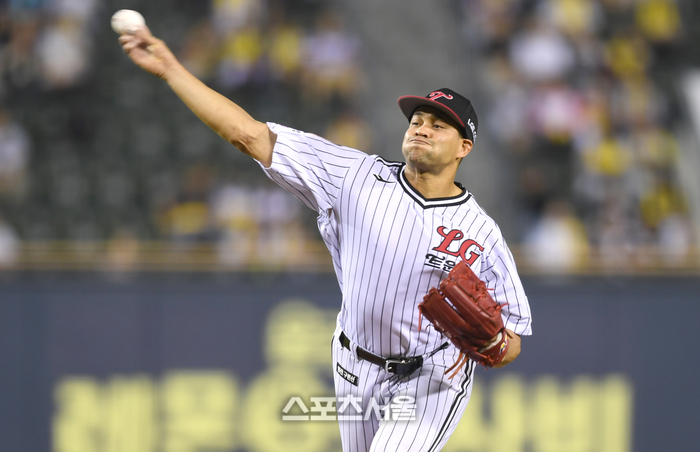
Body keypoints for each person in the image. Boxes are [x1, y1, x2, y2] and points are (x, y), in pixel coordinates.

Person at [119, 25, 532, 452]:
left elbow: (514, 337)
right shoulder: (353, 176)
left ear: (464, 147)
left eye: (438, 125)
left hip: (431, 377)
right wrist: (171, 70)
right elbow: (248, 134)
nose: (421, 129)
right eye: (417, 121)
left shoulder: (481, 232)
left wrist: (495, 344)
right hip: (353, 364)